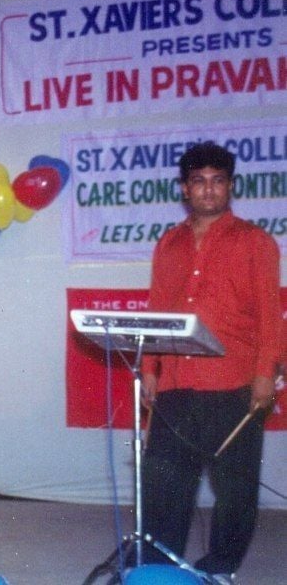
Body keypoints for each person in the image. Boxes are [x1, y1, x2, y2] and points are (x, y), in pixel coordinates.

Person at [140, 142, 282, 580]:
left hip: (234, 382)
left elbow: (270, 316)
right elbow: (158, 311)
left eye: (218, 181)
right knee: (165, 483)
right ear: (184, 189)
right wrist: (149, 370)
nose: (208, 191)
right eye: (199, 182)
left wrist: (264, 377)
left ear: (230, 186)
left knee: (235, 488)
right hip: (177, 383)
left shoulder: (255, 241)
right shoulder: (169, 243)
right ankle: (162, 568)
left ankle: (221, 567)